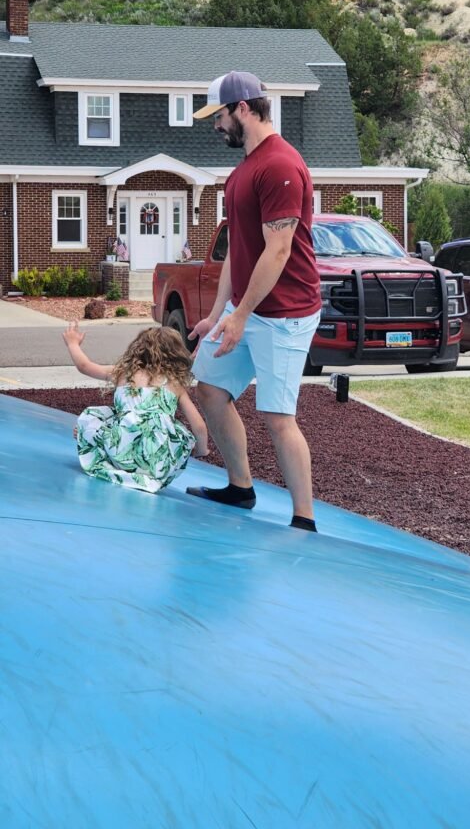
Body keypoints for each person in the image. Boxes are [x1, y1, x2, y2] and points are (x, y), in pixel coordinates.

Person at [187, 71, 322, 531]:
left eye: (219, 116)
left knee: (277, 415)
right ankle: (240, 488)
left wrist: (241, 315)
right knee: (209, 387)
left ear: (244, 108)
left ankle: (304, 520)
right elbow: (238, 252)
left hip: (284, 314)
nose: (216, 125)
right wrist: (216, 315)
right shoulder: (242, 170)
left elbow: (279, 250)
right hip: (245, 310)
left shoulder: (280, 165)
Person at [62, 323, 209, 493]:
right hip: (155, 460)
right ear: (176, 355)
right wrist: (201, 450)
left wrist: (72, 343)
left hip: (119, 451)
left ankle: (97, 445)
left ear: (137, 349)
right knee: (179, 434)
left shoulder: (123, 373)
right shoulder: (174, 384)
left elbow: (85, 366)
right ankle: (146, 475)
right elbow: (198, 425)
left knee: (93, 416)